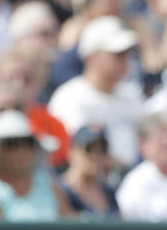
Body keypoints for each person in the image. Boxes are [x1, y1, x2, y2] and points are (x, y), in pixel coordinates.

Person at [48, 16, 145, 169]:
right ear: (92, 57)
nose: (125, 59)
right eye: (117, 53)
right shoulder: (70, 97)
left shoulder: (132, 94)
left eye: (127, 53)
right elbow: (77, 152)